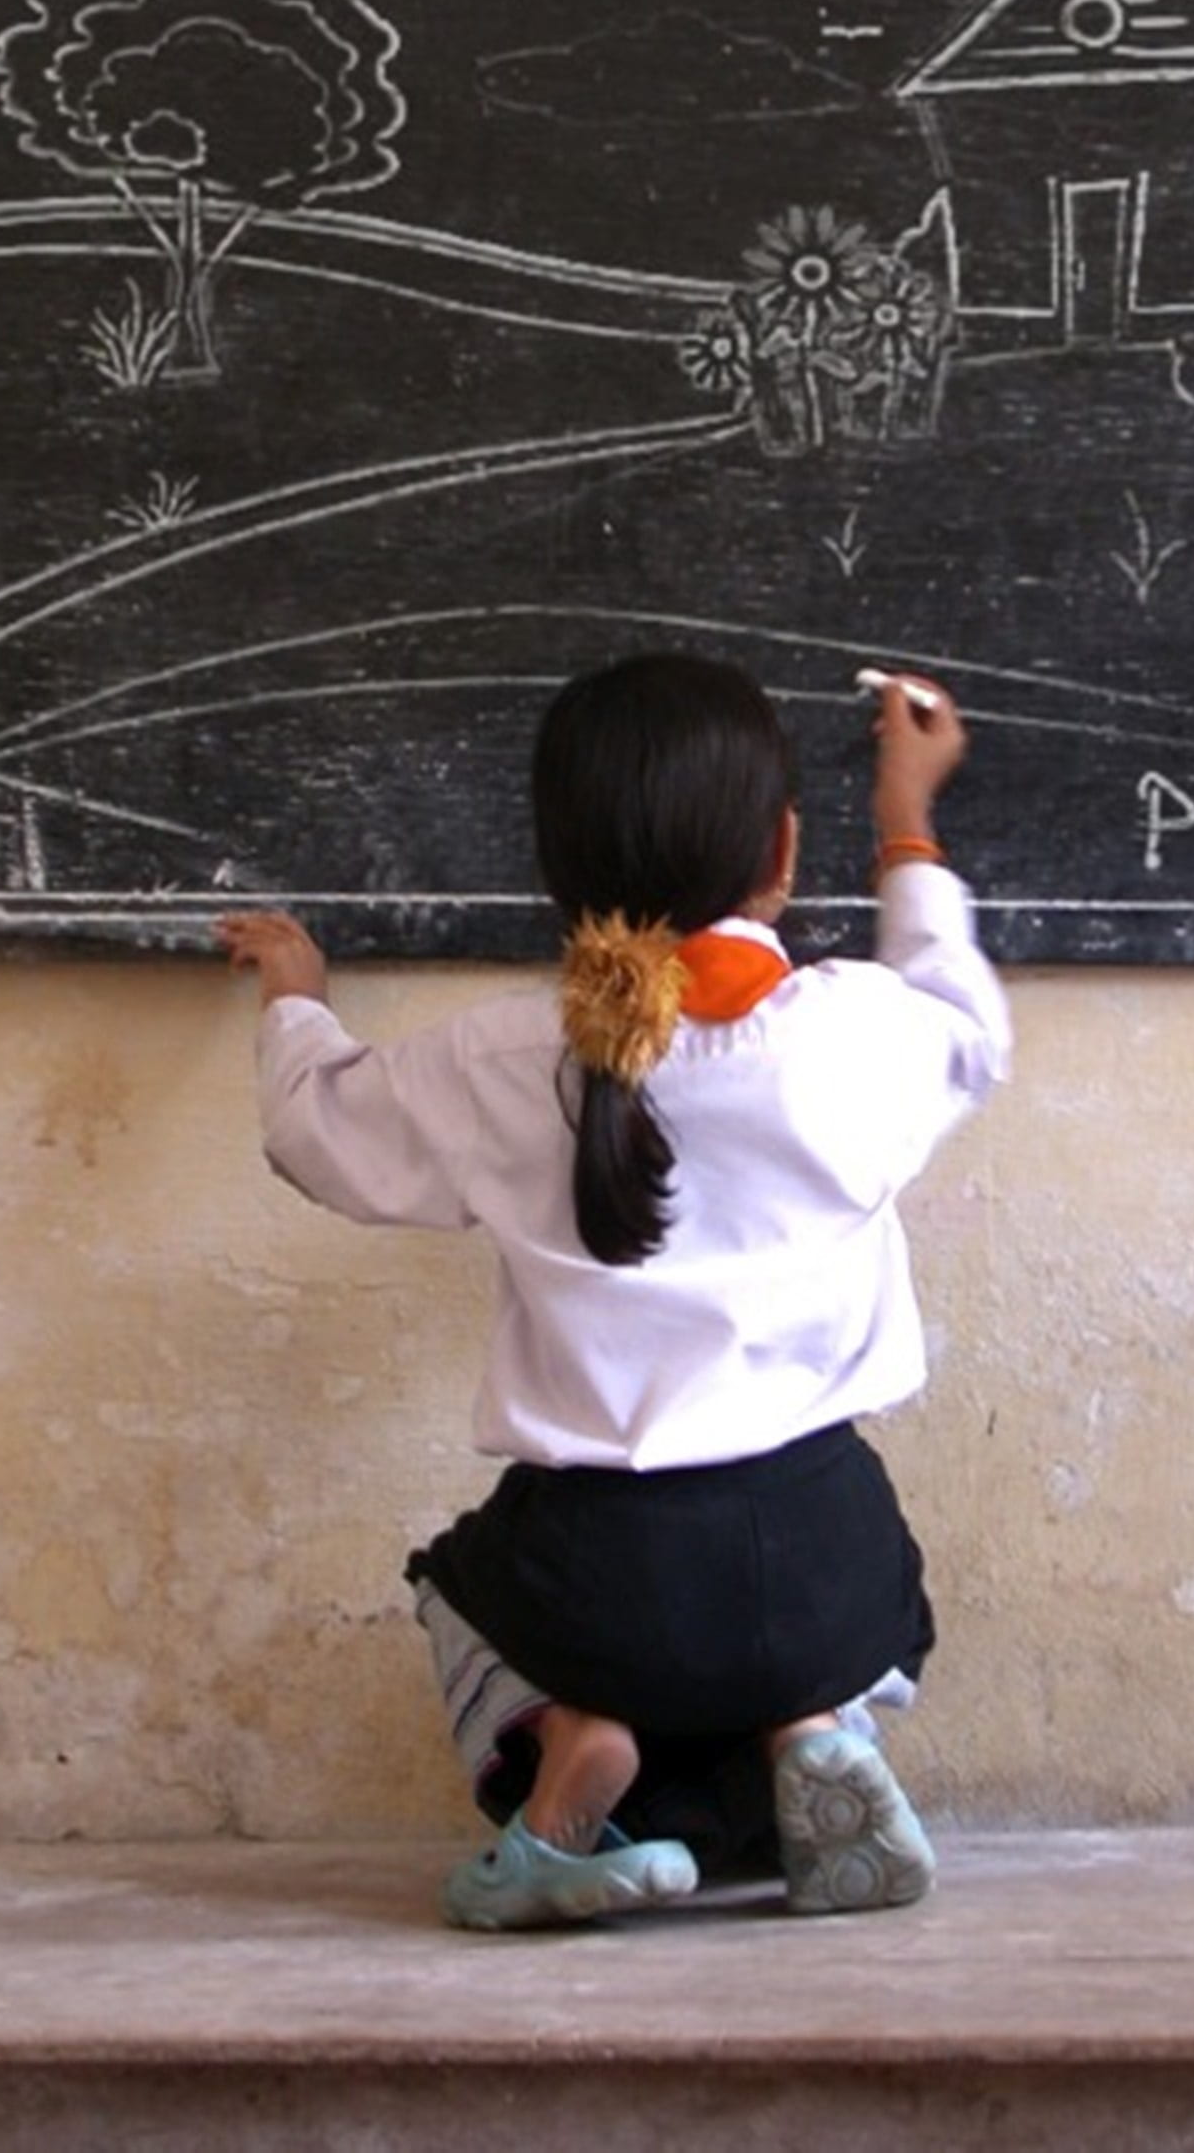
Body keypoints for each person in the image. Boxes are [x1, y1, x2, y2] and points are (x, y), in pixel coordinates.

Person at [219, 652, 1011, 1931]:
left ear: (557, 865)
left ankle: (563, 1780)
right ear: (782, 848)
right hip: (825, 1560)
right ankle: (817, 1724)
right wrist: (906, 825)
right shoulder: (854, 1031)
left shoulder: (498, 1056)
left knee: (457, 1580)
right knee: (886, 1592)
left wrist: (299, 1000)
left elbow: (320, 1131)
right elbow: (964, 1020)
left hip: (605, 1581)